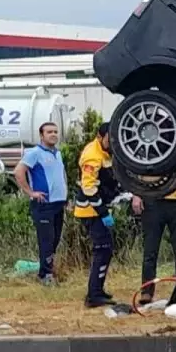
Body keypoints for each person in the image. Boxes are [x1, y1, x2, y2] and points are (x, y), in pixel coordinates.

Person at [133, 161, 176, 303]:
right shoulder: (151, 150)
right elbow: (137, 173)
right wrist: (136, 195)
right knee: (150, 250)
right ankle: (147, 292)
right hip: (153, 202)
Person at [14, 123, 67, 286]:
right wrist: (30, 192)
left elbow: (61, 176)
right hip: (43, 204)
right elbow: (18, 171)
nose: (53, 134)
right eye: (49, 132)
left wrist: (66, 196)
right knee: (46, 240)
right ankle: (45, 275)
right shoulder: (34, 153)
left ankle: (48, 270)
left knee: (55, 239)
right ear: (42, 135)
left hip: (58, 203)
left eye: (55, 132)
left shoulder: (57, 153)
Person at [74, 123, 120, 308]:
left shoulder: (106, 152)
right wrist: (103, 213)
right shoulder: (92, 155)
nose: (113, 142)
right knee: (102, 248)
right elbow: (89, 188)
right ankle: (93, 295)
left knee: (106, 249)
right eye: (110, 138)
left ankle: (97, 290)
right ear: (100, 136)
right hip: (90, 210)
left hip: (98, 209)